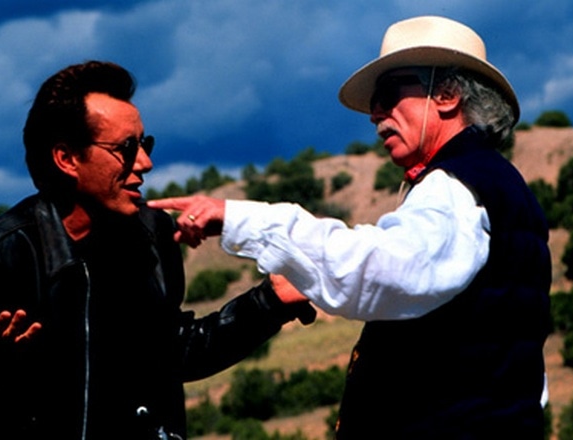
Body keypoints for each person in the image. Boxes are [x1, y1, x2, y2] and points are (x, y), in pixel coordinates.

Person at [148, 16, 552, 439]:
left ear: (447, 95)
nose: (375, 114)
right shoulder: (498, 186)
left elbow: (381, 271)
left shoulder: (452, 187)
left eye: (388, 94)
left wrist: (242, 220)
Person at [0, 60, 315, 440]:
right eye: (126, 148)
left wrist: (270, 302)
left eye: (145, 144)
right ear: (66, 158)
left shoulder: (152, 234)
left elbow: (174, 354)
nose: (146, 163)